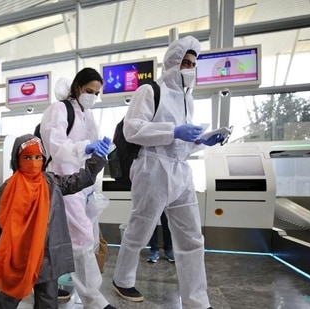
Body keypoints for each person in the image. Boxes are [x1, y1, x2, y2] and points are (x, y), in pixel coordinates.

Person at [111, 35, 223, 309]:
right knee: (140, 229)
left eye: (192, 63)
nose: (188, 68)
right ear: (172, 62)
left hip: (181, 171)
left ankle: (197, 300)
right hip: (152, 168)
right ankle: (122, 279)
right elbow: (132, 129)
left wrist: (200, 140)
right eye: (184, 62)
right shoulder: (150, 91)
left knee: (192, 238)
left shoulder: (188, 98)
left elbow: (180, 144)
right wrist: (173, 131)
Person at [0, 134, 110, 309]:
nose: (33, 161)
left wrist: (96, 159)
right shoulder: (8, 189)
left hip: (47, 258)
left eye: (37, 157)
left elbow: (79, 180)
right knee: (7, 300)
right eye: (27, 157)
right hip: (18, 256)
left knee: (48, 302)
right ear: (17, 159)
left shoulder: (51, 183)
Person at [40, 68, 116, 309]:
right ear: (77, 87)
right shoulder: (59, 109)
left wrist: (101, 149)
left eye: (97, 93)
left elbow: (89, 151)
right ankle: (94, 300)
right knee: (81, 236)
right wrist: (86, 147)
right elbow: (56, 146)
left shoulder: (87, 115)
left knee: (79, 237)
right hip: (62, 181)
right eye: (88, 91)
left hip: (82, 184)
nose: (92, 96)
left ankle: (55, 286)